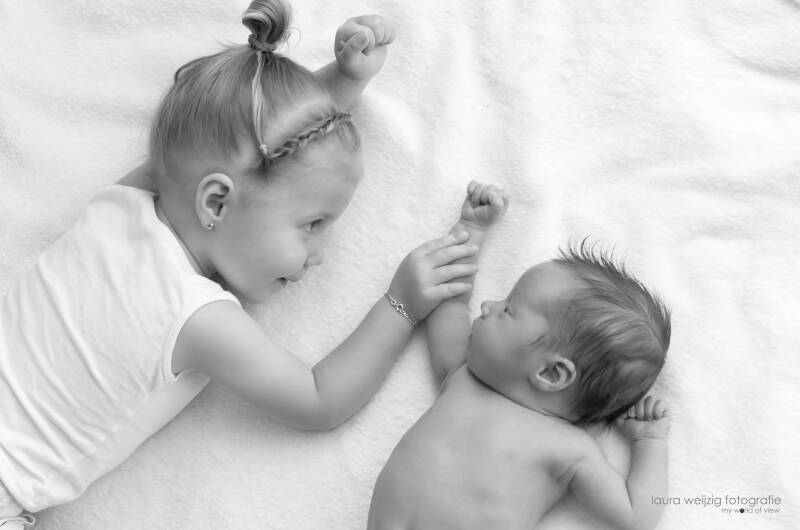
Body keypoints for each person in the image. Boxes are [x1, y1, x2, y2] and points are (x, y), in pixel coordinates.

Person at [0, 1, 479, 526]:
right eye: (312, 224)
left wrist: (343, 83)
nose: (320, 254)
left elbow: (239, 148)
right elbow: (319, 400)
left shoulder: (121, 204)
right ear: (215, 203)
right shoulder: (196, 317)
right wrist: (401, 303)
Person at [368, 181, 672, 530]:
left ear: (551, 373)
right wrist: (471, 229)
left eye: (508, 309)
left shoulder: (571, 449)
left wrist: (650, 442)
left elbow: (636, 516)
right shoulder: (462, 374)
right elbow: (449, 300)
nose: (487, 305)